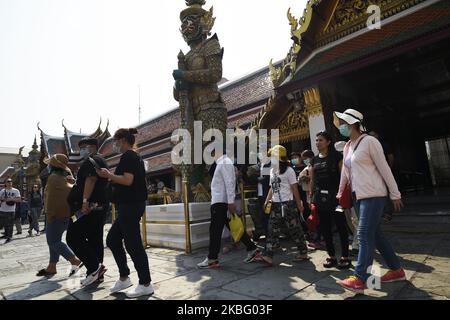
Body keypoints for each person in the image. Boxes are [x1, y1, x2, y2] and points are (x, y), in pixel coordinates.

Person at [334, 109, 405, 293]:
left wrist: (395, 193)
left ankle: (359, 278)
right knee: (376, 235)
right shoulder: (348, 146)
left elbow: (384, 168)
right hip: (358, 196)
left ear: (352, 123)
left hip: (374, 195)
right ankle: (397, 270)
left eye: (343, 122)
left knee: (364, 234)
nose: (341, 125)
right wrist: (340, 192)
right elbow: (346, 172)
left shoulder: (370, 142)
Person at [97, 128, 153, 298]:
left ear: (122, 140)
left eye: (115, 141)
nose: (114, 144)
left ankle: (145, 283)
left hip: (131, 205)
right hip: (128, 205)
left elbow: (128, 181)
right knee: (113, 240)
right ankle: (124, 277)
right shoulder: (132, 156)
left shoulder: (129, 156)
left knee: (133, 244)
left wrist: (108, 175)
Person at [197, 144, 260, 269]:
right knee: (234, 227)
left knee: (215, 231)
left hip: (221, 202)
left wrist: (230, 202)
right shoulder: (223, 163)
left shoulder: (224, 162)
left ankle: (212, 259)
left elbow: (230, 182)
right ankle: (252, 249)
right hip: (221, 202)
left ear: (216, 152)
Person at [252, 145, 309, 266]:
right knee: (272, 230)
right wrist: (267, 201)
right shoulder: (272, 171)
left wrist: (299, 204)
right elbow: (271, 189)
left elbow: (294, 189)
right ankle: (268, 256)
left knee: (295, 229)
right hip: (276, 205)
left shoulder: (289, 171)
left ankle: (303, 252)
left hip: (288, 204)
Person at [66, 138, 110, 287]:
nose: (81, 151)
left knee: (72, 237)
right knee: (94, 239)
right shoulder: (101, 161)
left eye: (84, 147)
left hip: (87, 207)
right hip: (99, 206)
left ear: (92, 148)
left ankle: (94, 267)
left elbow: (90, 179)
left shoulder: (90, 161)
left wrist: (84, 201)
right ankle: (96, 273)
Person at [310, 132, 351, 269]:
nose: (317, 142)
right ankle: (332, 256)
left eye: (320, 140)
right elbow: (312, 180)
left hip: (336, 197)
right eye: (316, 140)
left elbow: (344, 177)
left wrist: (344, 195)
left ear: (328, 142)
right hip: (320, 198)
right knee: (325, 228)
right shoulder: (314, 160)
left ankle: (345, 256)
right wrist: (312, 198)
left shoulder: (337, 157)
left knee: (341, 226)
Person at [37, 154, 82, 277]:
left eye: (50, 164)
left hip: (55, 214)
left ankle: (74, 260)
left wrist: (50, 213)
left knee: (53, 241)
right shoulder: (65, 177)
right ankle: (52, 266)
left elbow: (50, 199)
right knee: (54, 239)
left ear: (53, 165)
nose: (48, 166)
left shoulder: (53, 178)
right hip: (65, 213)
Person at [0, 179, 21, 244]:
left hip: (11, 210)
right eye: (8, 182)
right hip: (2, 209)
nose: (9, 183)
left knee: (10, 224)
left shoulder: (16, 191)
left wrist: (10, 199)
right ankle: (6, 234)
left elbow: (19, 199)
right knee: (4, 223)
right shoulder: (2, 191)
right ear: (5, 183)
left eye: (10, 182)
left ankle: (10, 236)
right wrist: (3, 199)